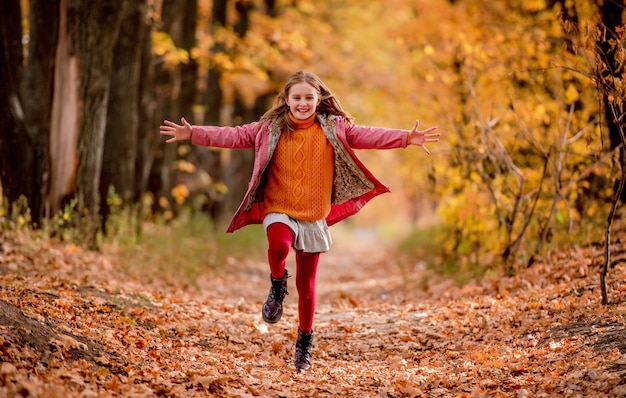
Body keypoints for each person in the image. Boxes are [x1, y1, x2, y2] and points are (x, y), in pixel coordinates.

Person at [159, 70, 440, 371]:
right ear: (286, 100)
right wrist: (194, 133)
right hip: (279, 207)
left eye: (309, 97)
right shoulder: (269, 128)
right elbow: (235, 134)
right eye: (297, 97)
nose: (303, 103)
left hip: (313, 215)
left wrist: (406, 138)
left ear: (319, 99)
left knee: (307, 284)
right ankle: (277, 283)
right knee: (278, 245)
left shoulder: (335, 128)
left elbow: (369, 135)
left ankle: (304, 344)